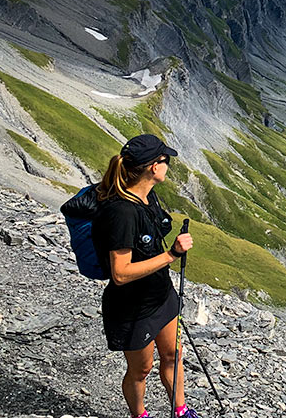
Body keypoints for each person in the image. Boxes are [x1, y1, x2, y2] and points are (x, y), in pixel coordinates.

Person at [92, 133, 199, 418]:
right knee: (141, 369)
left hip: (161, 295)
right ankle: (139, 415)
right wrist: (171, 255)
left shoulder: (147, 196)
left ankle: (180, 410)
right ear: (154, 166)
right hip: (132, 308)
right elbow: (120, 274)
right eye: (166, 160)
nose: (168, 166)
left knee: (173, 355)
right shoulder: (122, 212)